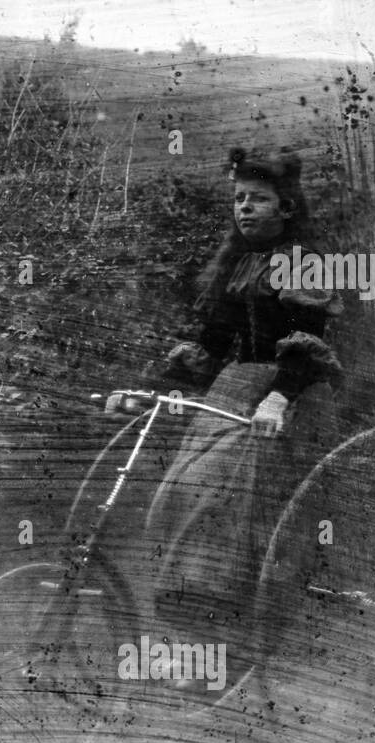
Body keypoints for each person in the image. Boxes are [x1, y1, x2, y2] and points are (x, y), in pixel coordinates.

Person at [126, 147, 346, 651]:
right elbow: (211, 343)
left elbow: (308, 346)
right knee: (181, 488)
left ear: (286, 207)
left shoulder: (305, 263)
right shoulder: (237, 262)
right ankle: (191, 622)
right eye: (240, 199)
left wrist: (277, 400)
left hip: (288, 397)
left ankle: (223, 619)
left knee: (218, 494)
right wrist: (152, 391)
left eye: (259, 199)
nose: (244, 208)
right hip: (234, 389)